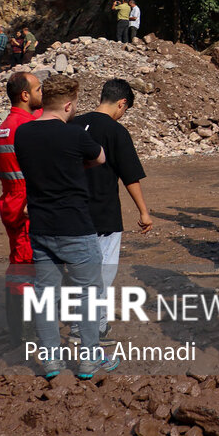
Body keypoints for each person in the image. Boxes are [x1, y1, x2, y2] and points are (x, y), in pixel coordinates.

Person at [14, 75, 117, 380]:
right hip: (75, 226)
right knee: (88, 293)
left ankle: (50, 363)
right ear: (69, 105)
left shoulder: (23, 134)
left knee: (46, 295)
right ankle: (88, 360)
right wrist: (76, 165)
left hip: (41, 226)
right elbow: (100, 158)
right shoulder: (75, 136)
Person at [71, 78, 154, 337]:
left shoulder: (72, 124)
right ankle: (91, 327)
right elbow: (130, 176)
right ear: (122, 103)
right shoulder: (116, 132)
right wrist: (143, 211)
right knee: (103, 272)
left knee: (78, 271)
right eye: (125, 110)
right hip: (103, 212)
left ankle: (85, 322)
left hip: (71, 212)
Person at [0, 71, 42, 344]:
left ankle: (22, 326)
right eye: (38, 89)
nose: (41, 93)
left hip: (12, 203)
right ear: (25, 95)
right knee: (25, 267)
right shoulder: (24, 127)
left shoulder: (8, 125)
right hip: (24, 206)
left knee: (19, 262)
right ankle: (24, 332)